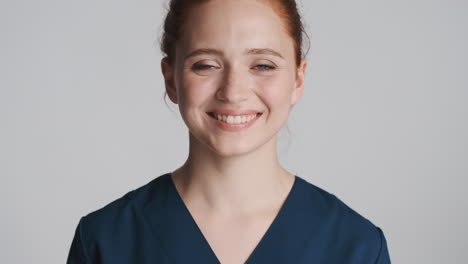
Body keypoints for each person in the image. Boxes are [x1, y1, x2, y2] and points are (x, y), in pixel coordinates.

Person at [67, 0, 391, 263]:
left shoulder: (356, 247)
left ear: (298, 79)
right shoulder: (105, 241)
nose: (233, 92)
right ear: (171, 80)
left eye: (263, 65)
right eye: (206, 65)